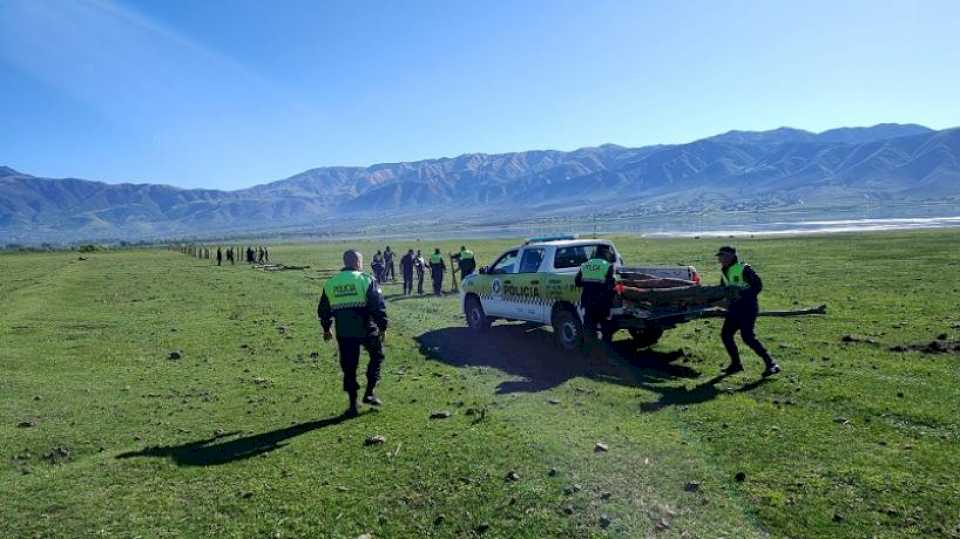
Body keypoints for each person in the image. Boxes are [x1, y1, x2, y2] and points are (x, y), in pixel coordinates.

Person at [318, 249, 388, 416]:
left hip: (344, 331)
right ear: (357, 262)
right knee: (377, 356)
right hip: (366, 329)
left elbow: (323, 310)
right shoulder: (366, 280)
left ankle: (352, 405)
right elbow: (377, 306)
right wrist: (383, 327)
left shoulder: (331, 283)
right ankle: (369, 392)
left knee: (349, 367)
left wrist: (327, 329)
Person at [716, 246, 781, 377]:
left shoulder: (744, 268)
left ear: (731, 256)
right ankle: (736, 364)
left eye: (722, 256)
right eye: (719, 257)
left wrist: (742, 295)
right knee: (726, 335)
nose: (720, 259)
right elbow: (723, 290)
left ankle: (771, 364)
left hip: (747, 308)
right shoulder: (724, 271)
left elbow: (758, 286)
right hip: (734, 309)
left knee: (748, 337)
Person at [574, 244, 618, 355]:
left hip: (588, 302)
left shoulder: (585, 265)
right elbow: (611, 285)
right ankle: (605, 351)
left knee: (590, 328)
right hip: (602, 303)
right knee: (606, 328)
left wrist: (589, 283)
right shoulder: (607, 266)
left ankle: (590, 352)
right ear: (605, 254)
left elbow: (577, 282)